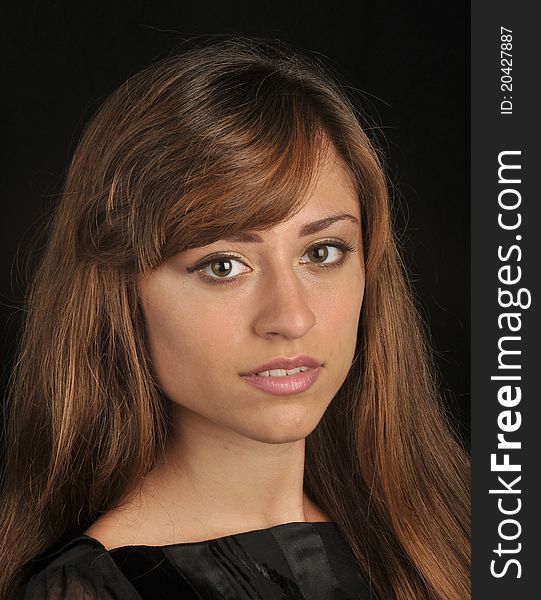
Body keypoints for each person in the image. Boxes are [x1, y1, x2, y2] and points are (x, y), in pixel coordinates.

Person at [0, 37, 470, 599]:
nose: (291, 317)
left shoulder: (457, 530)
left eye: (321, 252)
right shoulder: (93, 590)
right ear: (120, 294)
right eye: (224, 265)